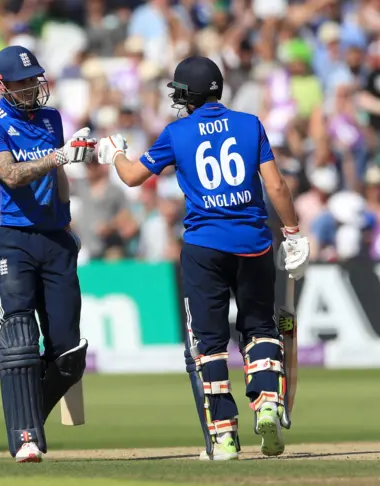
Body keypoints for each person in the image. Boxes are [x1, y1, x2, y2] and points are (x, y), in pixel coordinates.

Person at [97, 56, 310, 460]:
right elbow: (277, 186)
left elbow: (131, 177)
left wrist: (115, 154)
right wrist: (293, 233)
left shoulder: (177, 133)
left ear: (189, 96)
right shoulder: (250, 124)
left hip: (204, 248)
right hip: (253, 243)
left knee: (209, 344)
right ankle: (266, 403)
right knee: (260, 329)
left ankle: (225, 438)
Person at [0, 45, 95, 463]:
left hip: (53, 238)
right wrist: (58, 155)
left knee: (68, 353)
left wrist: (67, 222)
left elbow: (58, 175)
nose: (31, 88)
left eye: (34, 79)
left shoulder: (51, 118)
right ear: (1, 84)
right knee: (20, 339)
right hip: (10, 237)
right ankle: (24, 436)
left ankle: (29, 420)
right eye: (22, 81)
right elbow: (11, 174)